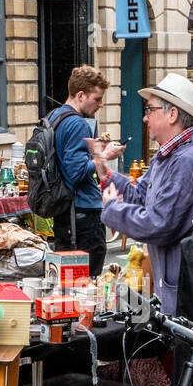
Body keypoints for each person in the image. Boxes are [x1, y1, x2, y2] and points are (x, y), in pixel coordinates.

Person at [91, 73, 193, 315]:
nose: (144, 117)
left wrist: (111, 209)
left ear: (172, 114)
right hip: (177, 281)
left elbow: (159, 223)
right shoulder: (171, 154)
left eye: (150, 110)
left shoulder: (186, 160)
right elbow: (141, 194)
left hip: (188, 289)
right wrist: (105, 173)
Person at [49, 65, 110, 275]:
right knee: (89, 282)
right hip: (82, 214)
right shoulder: (78, 124)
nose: (101, 104)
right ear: (81, 95)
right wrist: (102, 156)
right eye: (97, 98)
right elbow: (76, 172)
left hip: (65, 211)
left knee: (67, 283)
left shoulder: (54, 117)